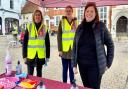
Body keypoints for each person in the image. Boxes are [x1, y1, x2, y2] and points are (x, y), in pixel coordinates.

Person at [72, 2, 114, 89]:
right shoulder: (80, 27)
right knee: (86, 87)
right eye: (87, 11)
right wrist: (74, 64)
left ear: (96, 13)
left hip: (95, 66)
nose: (89, 13)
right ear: (84, 13)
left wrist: (108, 63)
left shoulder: (101, 27)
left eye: (92, 11)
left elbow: (110, 44)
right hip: (82, 65)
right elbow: (75, 46)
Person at [22, 10, 50, 77]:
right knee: (30, 75)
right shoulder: (29, 26)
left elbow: (47, 44)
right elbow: (25, 42)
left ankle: (39, 87)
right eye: (36, 15)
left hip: (40, 55)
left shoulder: (45, 28)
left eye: (39, 15)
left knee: (39, 75)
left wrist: (47, 57)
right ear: (33, 17)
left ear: (41, 17)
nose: (37, 16)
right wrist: (24, 56)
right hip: (30, 55)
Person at [57, 5, 78, 84]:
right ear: (65, 12)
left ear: (72, 12)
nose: (68, 12)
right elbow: (59, 36)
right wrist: (60, 49)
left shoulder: (76, 22)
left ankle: (72, 84)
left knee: (72, 70)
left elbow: (78, 35)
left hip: (73, 50)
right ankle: (64, 84)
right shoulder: (61, 22)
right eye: (67, 11)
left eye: (70, 11)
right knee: (65, 69)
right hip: (64, 51)